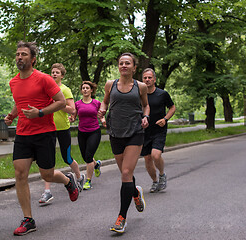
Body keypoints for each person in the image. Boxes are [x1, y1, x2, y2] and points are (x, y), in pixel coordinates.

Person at [4, 41, 79, 236]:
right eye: (18, 54)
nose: (20, 57)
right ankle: (28, 220)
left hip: (44, 133)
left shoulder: (44, 79)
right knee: (20, 174)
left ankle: (68, 180)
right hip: (22, 134)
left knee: (47, 175)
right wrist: (12, 115)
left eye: (24, 54)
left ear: (33, 59)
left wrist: (40, 113)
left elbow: (61, 102)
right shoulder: (13, 82)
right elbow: (20, 103)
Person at [98, 53, 150, 233]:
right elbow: (105, 103)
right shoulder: (110, 85)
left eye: (128, 63)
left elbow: (146, 105)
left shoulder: (141, 86)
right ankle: (135, 193)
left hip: (135, 132)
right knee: (125, 174)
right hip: (115, 132)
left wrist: (146, 116)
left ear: (134, 68)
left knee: (126, 173)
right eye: (121, 63)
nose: (124, 66)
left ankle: (122, 218)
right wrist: (102, 112)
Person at [38, 63, 85, 204]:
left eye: (57, 72)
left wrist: (58, 103)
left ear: (62, 75)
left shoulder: (65, 90)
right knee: (47, 162)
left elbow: (72, 110)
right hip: (47, 128)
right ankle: (47, 192)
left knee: (67, 158)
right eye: (52, 72)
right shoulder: (46, 90)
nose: (54, 74)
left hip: (63, 128)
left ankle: (79, 177)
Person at [141, 68, 176, 193]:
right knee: (147, 159)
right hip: (144, 130)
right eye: (145, 78)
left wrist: (165, 119)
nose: (147, 80)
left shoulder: (162, 94)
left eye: (150, 77)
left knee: (156, 155)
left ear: (154, 79)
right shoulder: (140, 95)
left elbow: (172, 107)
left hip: (158, 129)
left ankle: (162, 174)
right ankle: (155, 182)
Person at [69, 81, 105, 190]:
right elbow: (74, 117)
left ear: (91, 90)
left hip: (94, 132)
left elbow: (101, 115)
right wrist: (71, 119)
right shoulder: (77, 104)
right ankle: (96, 164)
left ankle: (88, 181)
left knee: (89, 156)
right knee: (85, 156)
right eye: (83, 88)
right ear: (81, 90)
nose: (85, 89)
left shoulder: (96, 103)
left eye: (87, 88)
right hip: (82, 132)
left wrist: (103, 120)